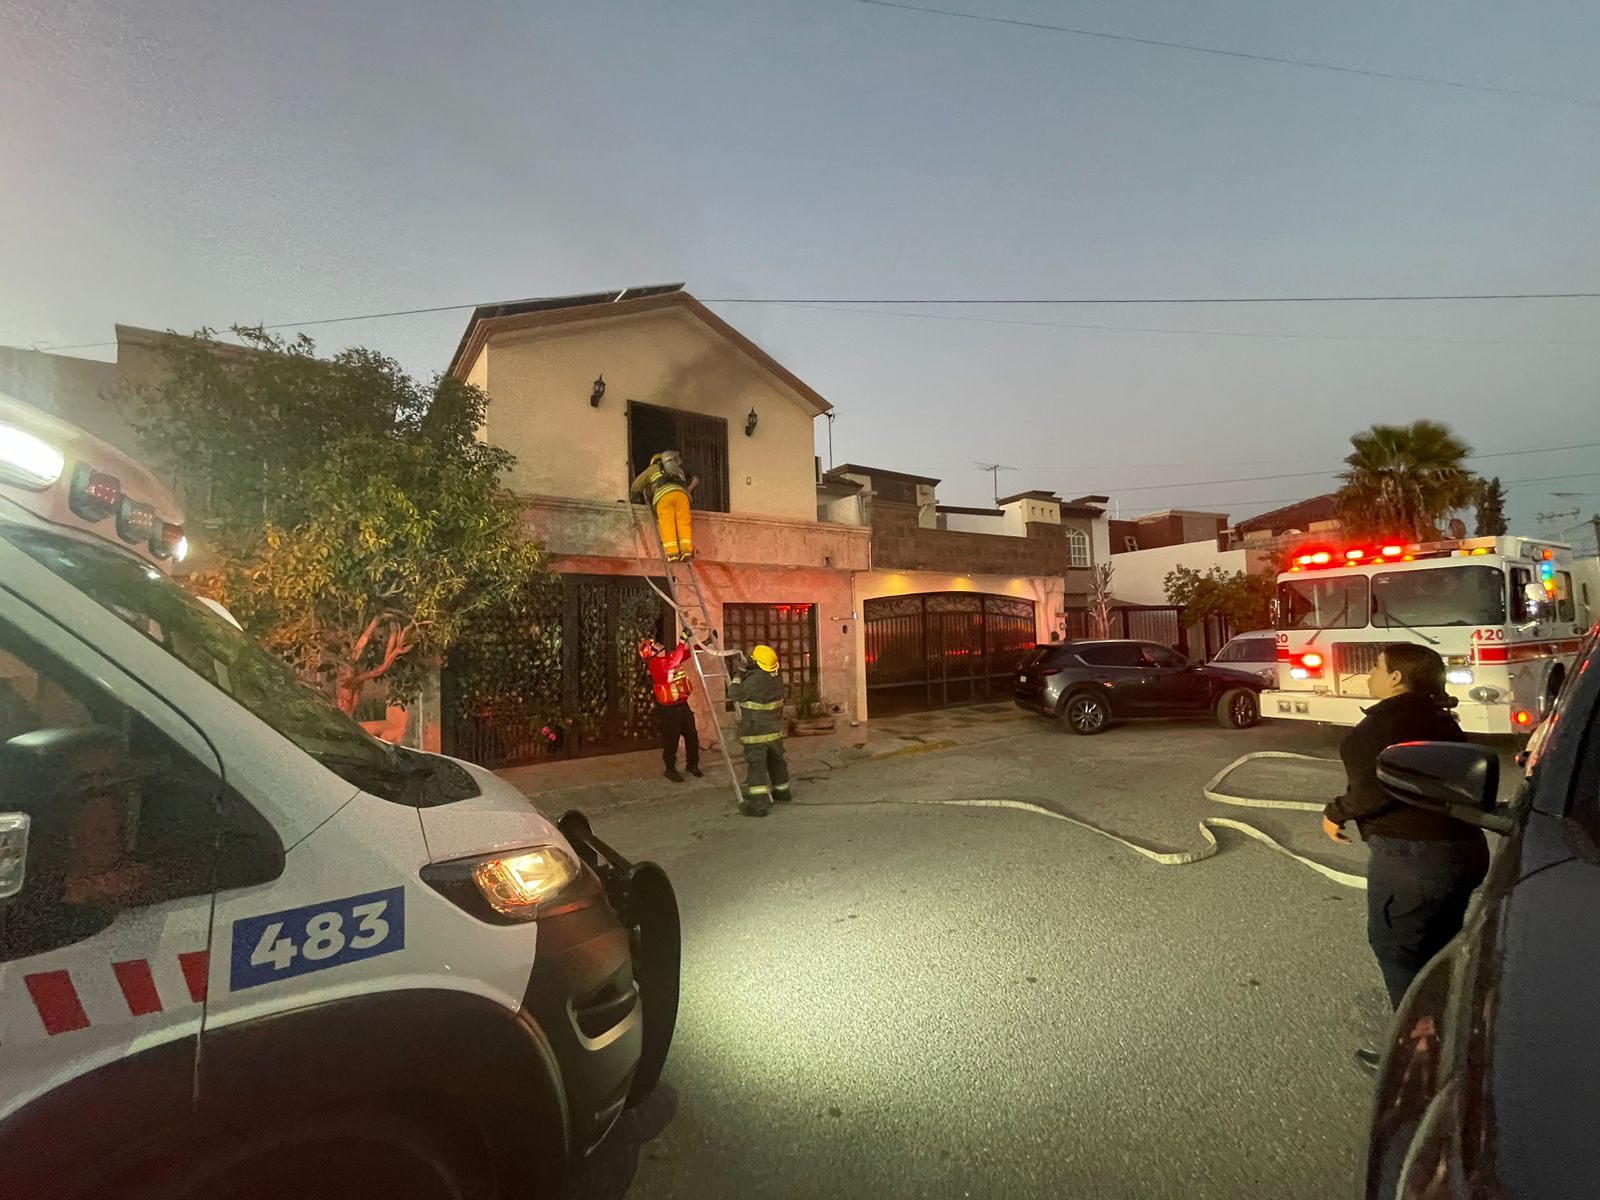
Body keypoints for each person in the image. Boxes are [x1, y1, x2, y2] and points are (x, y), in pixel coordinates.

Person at [1323, 642, 1489, 1071]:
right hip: (1464, 851)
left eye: (1377, 668)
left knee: (1398, 950)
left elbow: (1371, 791)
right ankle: (1454, 1038)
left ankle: (1418, 1060)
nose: (1370, 675)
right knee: (1439, 949)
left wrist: (1335, 813)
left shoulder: (1379, 730)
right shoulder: (1439, 718)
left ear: (1396, 677)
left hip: (1413, 862)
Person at [726, 644, 789, 817]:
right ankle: (782, 791)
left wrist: (739, 673)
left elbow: (734, 693)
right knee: (777, 761)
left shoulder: (754, 680)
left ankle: (759, 804)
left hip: (757, 731)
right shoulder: (776, 676)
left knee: (757, 766)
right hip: (774, 729)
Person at [639, 637, 701, 783]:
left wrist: (706, 643)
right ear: (653, 652)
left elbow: (687, 653)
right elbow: (675, 660)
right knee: (671, 741)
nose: (661, 643)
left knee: (692, 735)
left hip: (683, 705)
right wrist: (682, 641)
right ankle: (670, 769)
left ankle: (693, 765)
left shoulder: (667, 659)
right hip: (669, 710)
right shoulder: (656, 664)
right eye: (657, 644)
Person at [630, 450, 699, 562]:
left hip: (664, 497)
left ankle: (672, 553)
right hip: (682, 497)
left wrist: (633, 498)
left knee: (667, 523)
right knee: (683, 522)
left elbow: (636, 485)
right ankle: (686, 551)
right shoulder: (678, 470)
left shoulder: (652, 469)